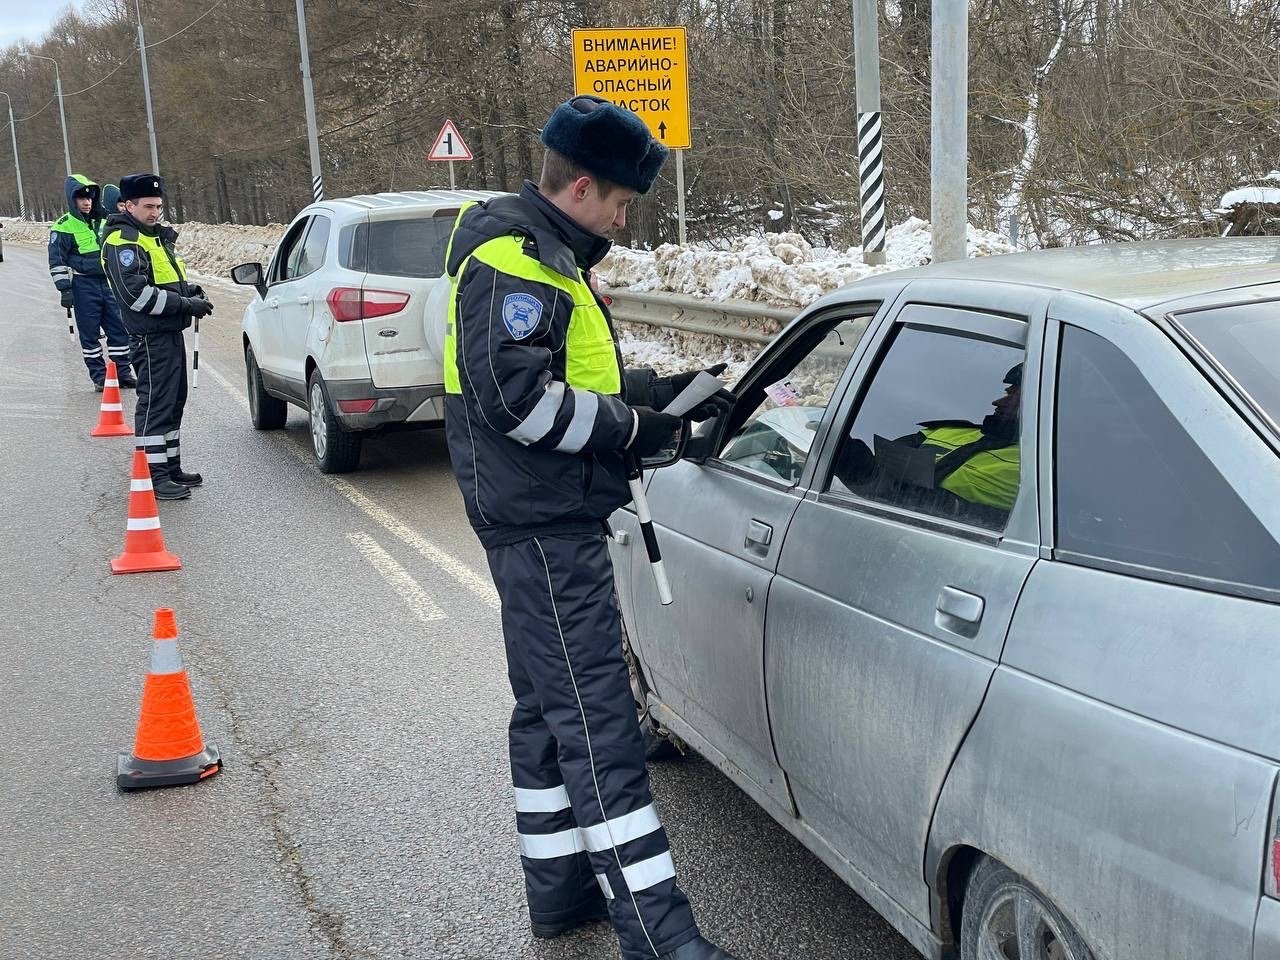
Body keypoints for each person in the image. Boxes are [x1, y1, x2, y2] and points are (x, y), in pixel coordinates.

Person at [441, 95, 736, 960]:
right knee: (600, 725)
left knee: (544, 711)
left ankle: (561, 893)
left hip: (537, 516)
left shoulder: (545, 254)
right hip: (544, 525)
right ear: (580, 186)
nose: (623, 218)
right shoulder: (520, 261)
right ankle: (660, 938)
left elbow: (575, 376)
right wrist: (636, 431)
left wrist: (658, 392)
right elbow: (517, 402)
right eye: (619, 202)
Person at [100, 173, 213, 501]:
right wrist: (185, 303)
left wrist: (191, 291)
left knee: (174, 401)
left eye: (159, 206)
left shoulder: (152, 237)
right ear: (127, 205)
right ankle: (153, 474)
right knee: (156, 404)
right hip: (149, 337)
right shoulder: (123, 241)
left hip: (168, 332)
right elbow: (136, 296)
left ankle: (170, 466)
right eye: (148, 206)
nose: (155, 212)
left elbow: (165, 279)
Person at [835, 364, 1023, 520]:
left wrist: (949, 507)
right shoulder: (947, 431)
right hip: (884, 512)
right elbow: (877, 473)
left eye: (1016, 397)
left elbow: (1018, 527)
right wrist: (840, 449)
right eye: (1008, 393)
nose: (998, 402)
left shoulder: (1037, 468)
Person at [48, 174, 136, 390]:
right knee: (90, 333)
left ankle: (123, 373)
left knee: (119, 329)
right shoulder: (63, 226)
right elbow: (56, 260)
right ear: (72, 200)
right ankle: (99, 377)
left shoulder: (107, 220)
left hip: (109, 283)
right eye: (81, 199)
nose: (87, 203)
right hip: (83, 285)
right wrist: (65, 290)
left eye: (90, 198)